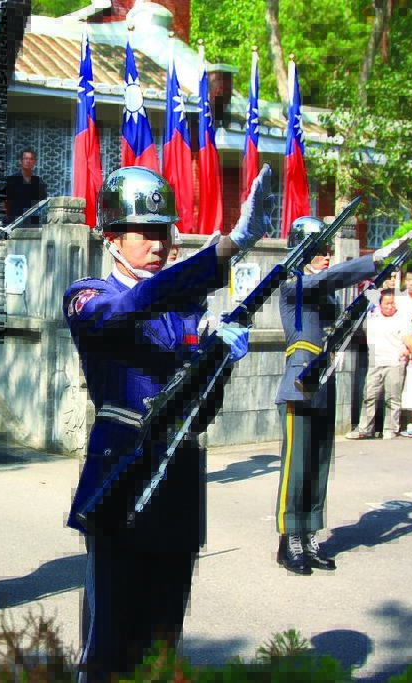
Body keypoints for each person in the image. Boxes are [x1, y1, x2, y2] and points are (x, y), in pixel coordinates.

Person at [63, 164, 272, 678]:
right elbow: (130, 306)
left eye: (164, 231)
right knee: (110, 632)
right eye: (144, 232)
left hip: (178, 472)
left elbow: (201, 412)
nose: (158, 243)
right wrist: (227, 248)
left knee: (165, 627)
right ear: (112, 238)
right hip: (121, 471)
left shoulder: (182, 312)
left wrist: (219, 362)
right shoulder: (87, 295)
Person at [274, 220, 412, 574]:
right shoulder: (293, 284)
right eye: (318, 250)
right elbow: (326, 279)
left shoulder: (326, 293)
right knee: (296, 466)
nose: (325, 256)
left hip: (324, 381)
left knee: (318, 464)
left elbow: (338, 327)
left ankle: (309, 537)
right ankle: (289, 539)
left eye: (327, 250)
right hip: (300, 382)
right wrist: (375, 260)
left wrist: (366, 299)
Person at [346, 289, 409, 440]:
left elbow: (408, 339)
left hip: (394, 362)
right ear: (380, 304)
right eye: (386, 303)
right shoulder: (372, 317)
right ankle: (365, 428)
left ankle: (391, 428)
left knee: (392, 397)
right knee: (369, 395)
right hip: (375, 361)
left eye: (392, 303)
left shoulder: (402, 319)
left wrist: (407, 351)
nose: (390, 306)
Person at [2, 147, 47, 225]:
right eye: (25, 158)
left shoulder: (39, 182)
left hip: (32, 221)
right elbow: (5, 202)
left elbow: (42, 202)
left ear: (34, 162)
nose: (28, 161)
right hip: (13, 220)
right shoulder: (12, 180)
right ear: (20, 161)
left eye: (31, 159)